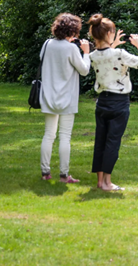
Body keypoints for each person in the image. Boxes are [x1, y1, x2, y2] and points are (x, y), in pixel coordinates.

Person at [88, 14, 138, 191]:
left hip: (101, 103)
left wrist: (112, 44)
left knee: (100, 141)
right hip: (119, 103)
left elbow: (106, 57)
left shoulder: (92, 56)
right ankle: (107, 183)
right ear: (109, 34)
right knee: (112, 142)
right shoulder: (119, 54)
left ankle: (100, 182)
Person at [40, 13, 91, 183]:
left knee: (49, 135)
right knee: (64, 136)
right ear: (73, 30)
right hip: (67, 98)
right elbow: (84, 70)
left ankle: (45, 172)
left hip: (48, 95)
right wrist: (86, 53)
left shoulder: (47, 44)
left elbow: (43, 60)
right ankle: (64, 175)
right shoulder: (71, 48)